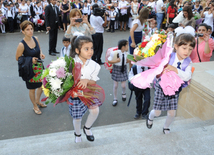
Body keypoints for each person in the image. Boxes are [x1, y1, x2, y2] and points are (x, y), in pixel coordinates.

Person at [146, 33, 196, 134]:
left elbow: (187, 76)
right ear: (176, 46)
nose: (187, 52)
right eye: (184, 48)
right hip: (162, 86)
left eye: (190, 49)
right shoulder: (168, 56)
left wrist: (175, 69)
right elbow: (156, 67)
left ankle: (166, 127)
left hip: (175, 89)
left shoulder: (188, 62)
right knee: (157, 112)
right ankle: (150, 117)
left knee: (172, 113)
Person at [68, 35, 101, 143]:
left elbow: (93, 82)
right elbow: (64, 80)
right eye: (86, 49)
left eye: (91, 48)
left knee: (95, 110)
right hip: (75, 94)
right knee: (77, 118)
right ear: (77, 50)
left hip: (87, 92)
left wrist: (86, 81)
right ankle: (77, 134)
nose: (90, 51)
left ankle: (87, 128)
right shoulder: (70, 63)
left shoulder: (95, 65)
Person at [15, 21, 46, 115]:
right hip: (29, 69)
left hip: (39, 67)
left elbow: (39, 49)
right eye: (27, 29)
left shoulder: (36, 38)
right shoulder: (21, 44)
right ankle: (34, 106)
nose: (30, 31)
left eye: (31, 29)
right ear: (23, 31)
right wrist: (30, 59)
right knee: (32, 89)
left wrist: (41, 53)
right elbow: (18, 58)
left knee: (41, 85)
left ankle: (38, 101)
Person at [108, 39, 129, 106]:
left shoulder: (126, 54)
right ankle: (115, 98)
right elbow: (109, 61)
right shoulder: (114, 53)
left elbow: (127, 61)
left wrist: (129, 60)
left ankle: (123, 93)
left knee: (123, 85)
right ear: (123, 47)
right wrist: (116, 61)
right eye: (127, 45)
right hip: (116, 69)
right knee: (116, 85)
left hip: (123, 68)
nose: (128, 47)